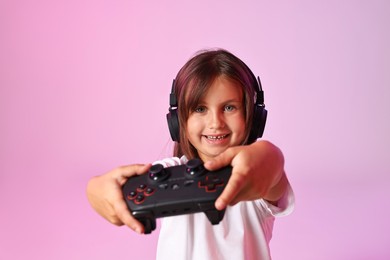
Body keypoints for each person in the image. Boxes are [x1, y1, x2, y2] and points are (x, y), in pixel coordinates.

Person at [86, 48, 294, 259]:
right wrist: (95, 187)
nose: (215, 123)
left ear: (254, 116)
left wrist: (270, 153)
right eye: (200, 109)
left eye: (229, 108)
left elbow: (272, 164)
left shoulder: (254, 176)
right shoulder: (170, 171)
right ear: (178, 121)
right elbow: (100, 188)